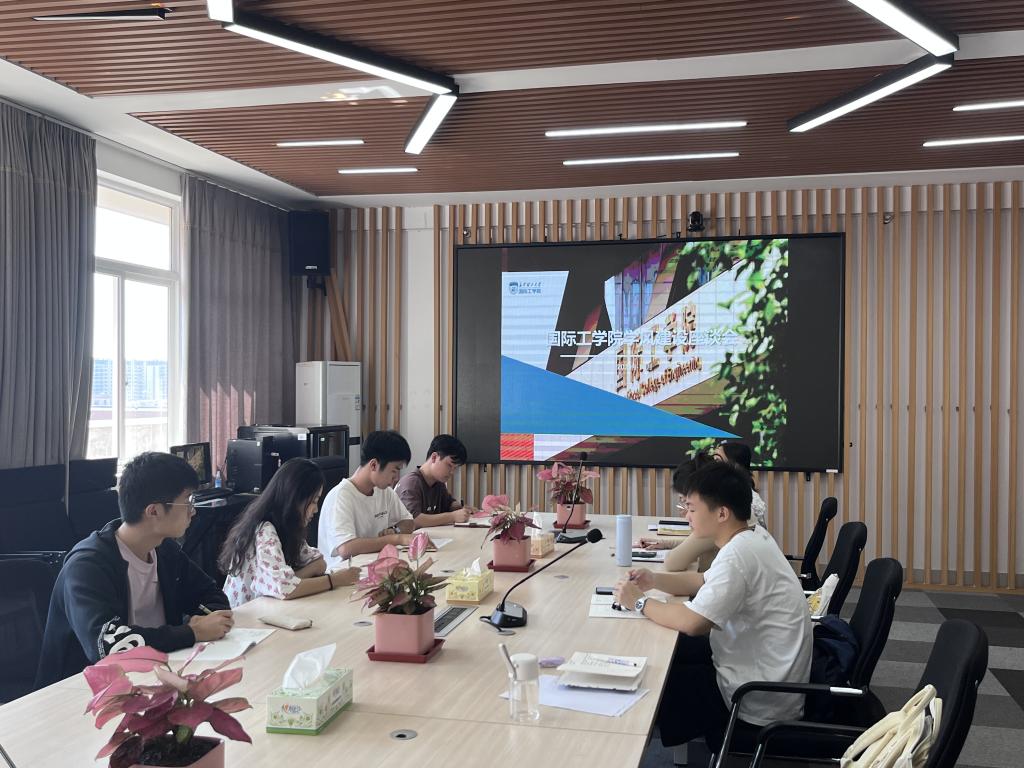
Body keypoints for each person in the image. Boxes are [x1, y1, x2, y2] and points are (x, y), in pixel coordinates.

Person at [613, 461, 811, 750]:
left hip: (755, 697)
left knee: (654, 677)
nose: (687, 516)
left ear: (721, 513)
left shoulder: (738, 554)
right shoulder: (750, 536)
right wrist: (654, 580)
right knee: (667, 652)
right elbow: (702, 581)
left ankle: (620, 747)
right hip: (762, 671)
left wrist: (639, 602)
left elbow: (694, 623)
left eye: (692, 509)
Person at [37, 452, 233, 687]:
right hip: (82, 690)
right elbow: (109, 645)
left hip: (156, 676)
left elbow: (212, 596)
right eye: (187, 501)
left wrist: (208, 620)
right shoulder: (87, 566)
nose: (193, 511)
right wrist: (191, 633)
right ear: (154, 511)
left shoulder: (164, 550)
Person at [219, 458, 360, 607]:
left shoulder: (288, 527)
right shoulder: (265, 530)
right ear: (295, 498)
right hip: (245, 615)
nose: (316, 509)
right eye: (313, 501)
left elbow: (318, 563)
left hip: (267, 608)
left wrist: (291, 580)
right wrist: (335, 580)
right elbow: (285, 589)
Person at [317, 430, 421, 568]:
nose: (396, 478)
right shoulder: (341, 496)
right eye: (394, 470)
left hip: (376, 566)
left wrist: (395, 530)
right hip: (344, 573)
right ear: (373, 465)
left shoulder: (384, 491)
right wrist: (396, 538)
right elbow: (346, 548)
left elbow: (409, 522)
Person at [396, 434, 474, 527]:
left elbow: (449, 503)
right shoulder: (411, 483)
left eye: (455, 468)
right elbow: (413, 520)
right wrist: (452, 516)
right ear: (434, 457)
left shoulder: (438, 482)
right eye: (449, 465)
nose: (452, 472)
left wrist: (462, 509)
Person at [713, 440, 767, 528]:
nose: (711, 466)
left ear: (735, 466)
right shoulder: (718, 492)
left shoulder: (750, 501)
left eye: (717, 461)